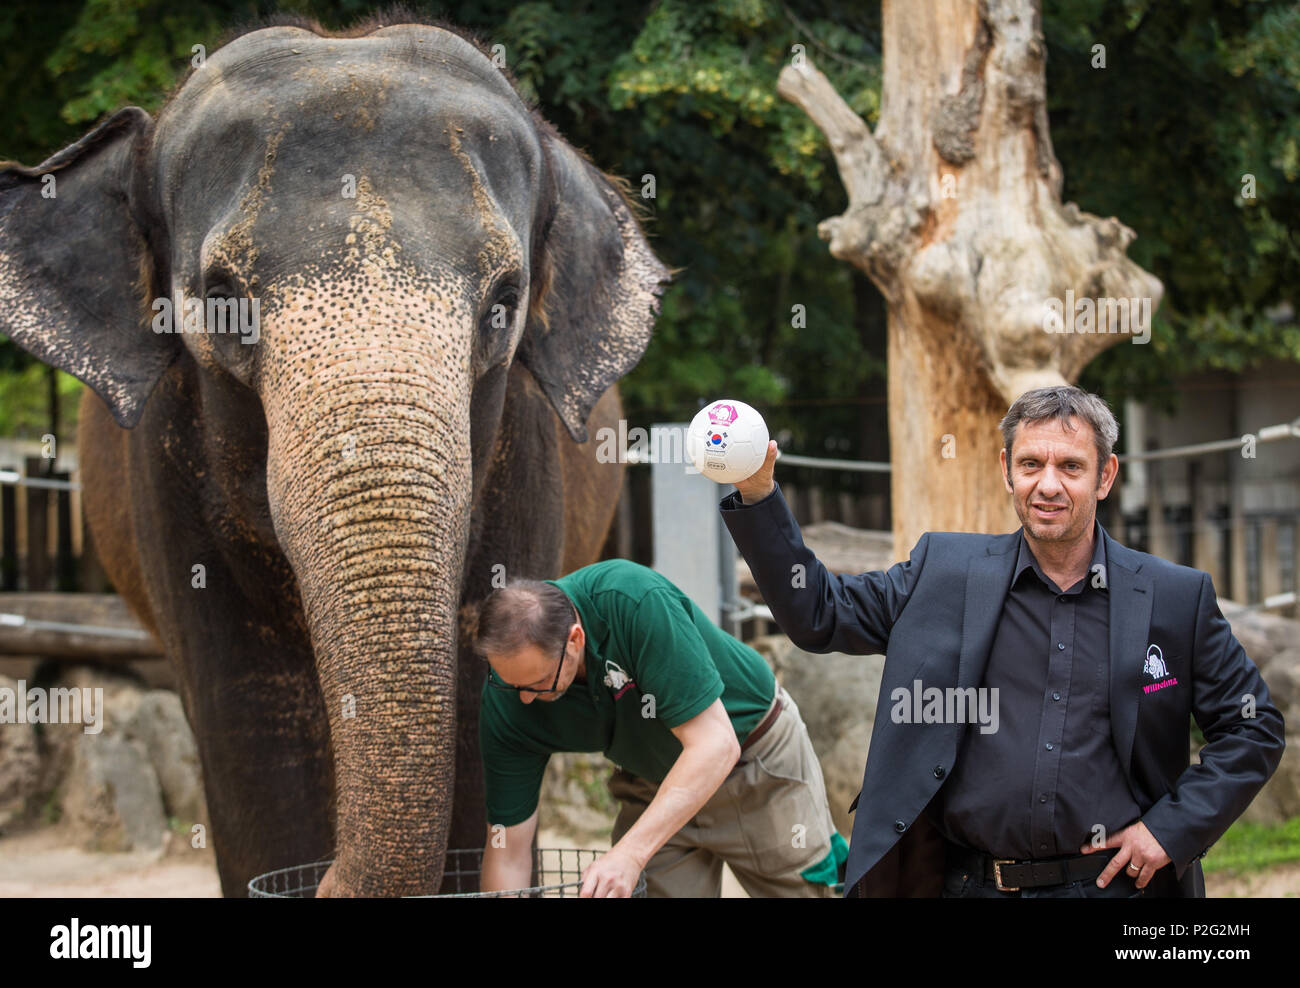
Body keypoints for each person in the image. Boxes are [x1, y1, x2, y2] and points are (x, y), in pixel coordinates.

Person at [720, 385, 1285, 898]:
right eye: (1031, 463)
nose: (1048, 484)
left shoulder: (1174, 597)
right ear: (1006, 469)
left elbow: (1253, 725)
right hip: (968, 885)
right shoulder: (942, 572)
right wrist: (758, 494)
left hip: (1114, 891)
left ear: (1105, 476)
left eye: (1071, 466)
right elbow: (818, 614)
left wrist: (1169, 830)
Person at [473, 557, 848, 897]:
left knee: (810, 890)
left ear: (575, 640)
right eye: (509, 683)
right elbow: (508, 853)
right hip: (651, 785)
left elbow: (716, 744)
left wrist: (629, 854)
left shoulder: (632, 599)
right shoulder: (509, 699)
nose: (523, 699)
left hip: (754, 765)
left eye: (537, 683)